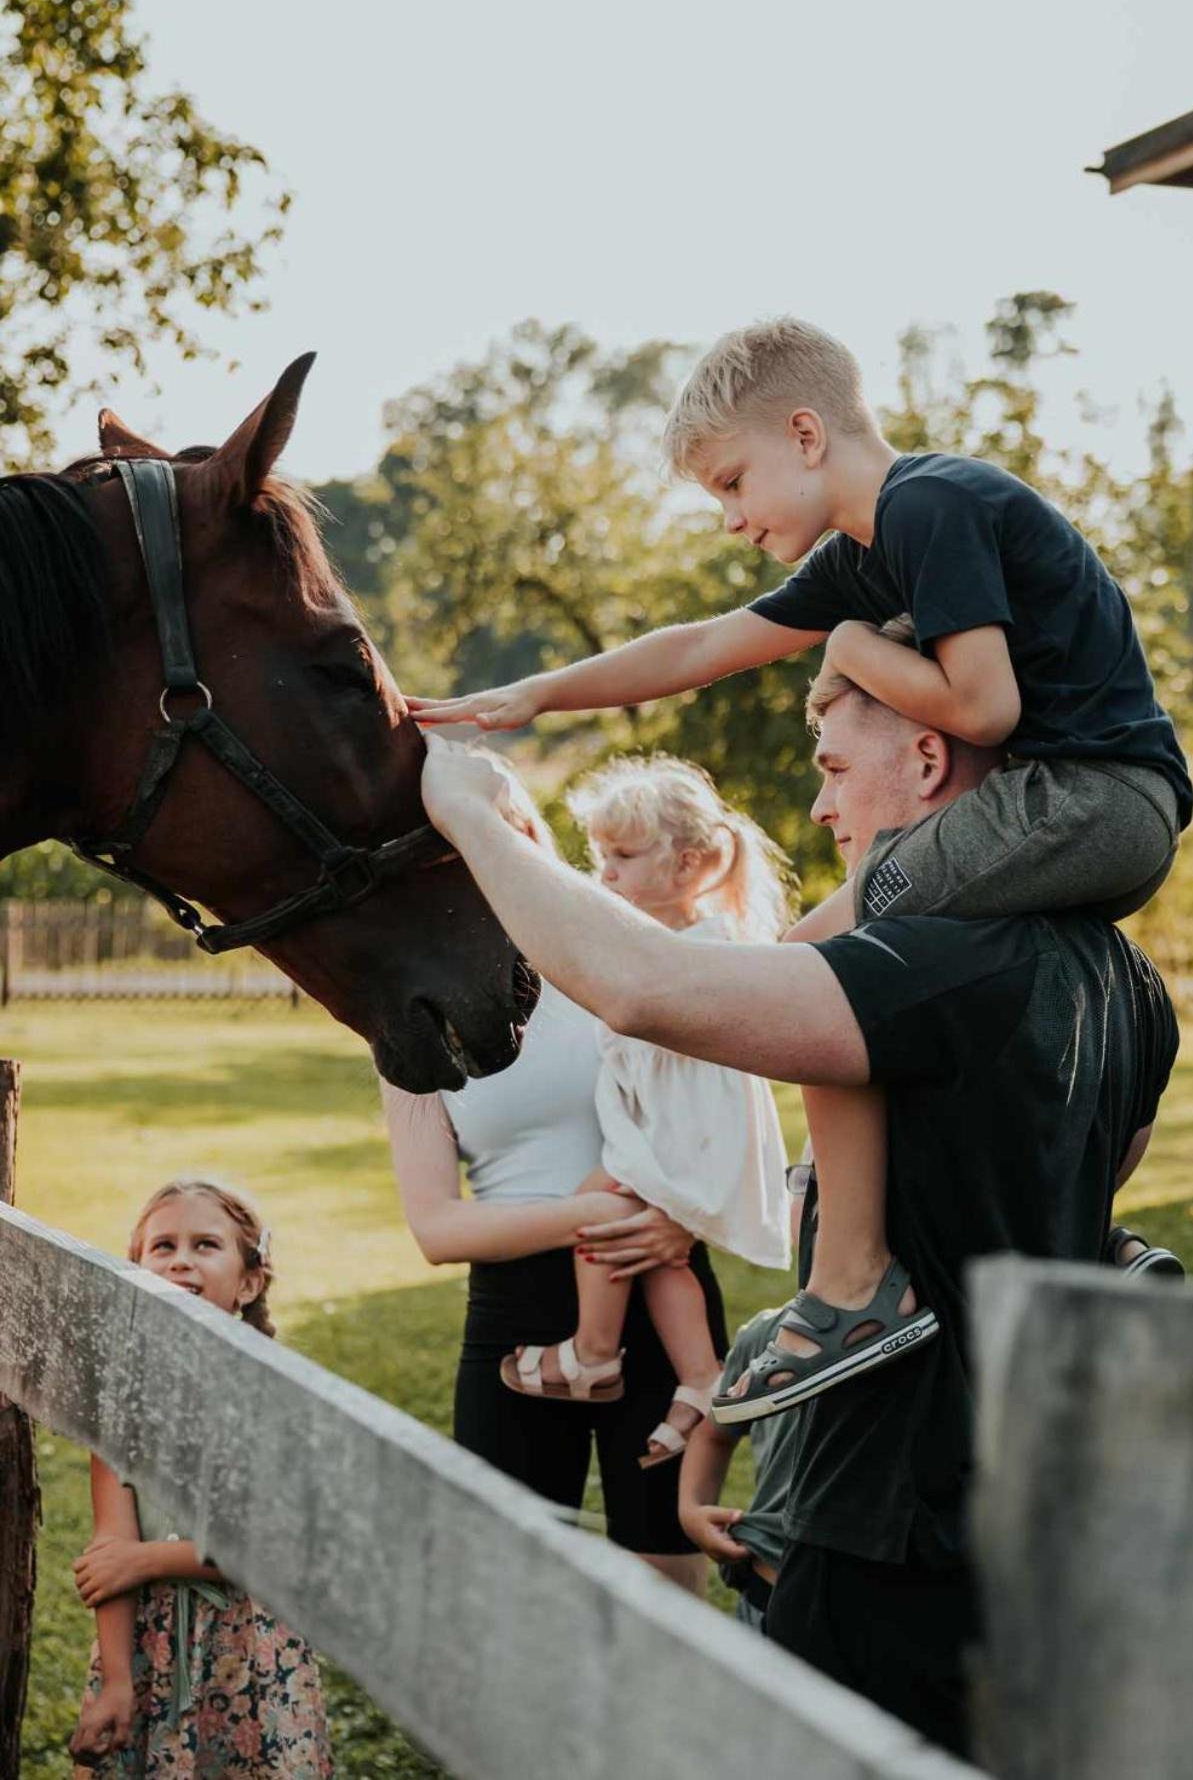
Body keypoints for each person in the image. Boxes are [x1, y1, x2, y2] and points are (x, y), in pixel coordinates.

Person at [406, 317, 1192, 1410]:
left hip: (1089, 799)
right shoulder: (865, 553)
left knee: (822, 974)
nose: (731, 519)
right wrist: (533, 694)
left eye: (735, 481)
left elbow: (987, 704)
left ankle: (853, 1280)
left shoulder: (931, 503)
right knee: (844, 973)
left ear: (808, 432)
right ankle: (1072, 1243)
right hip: (1073, 811)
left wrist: (855, 649)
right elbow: (701, 645)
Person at [418, 688, 1179, 1757]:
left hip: (882, 1517)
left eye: (830, 765)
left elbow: (643, 985)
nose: (819, 804)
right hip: (1028, 1505)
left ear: (925, 761)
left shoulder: (923, 960)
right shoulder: (1129, 979)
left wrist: (470, 815)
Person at [382, 758, 730, 1594]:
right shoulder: (408, 1019)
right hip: (516, 1316)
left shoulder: (623, 954)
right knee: (511, 1585)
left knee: (662, 1582)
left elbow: (725, 1113)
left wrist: (683, 1217)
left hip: (661, 1290)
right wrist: (600, 1218)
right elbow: (436, 1228)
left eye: (503, 831)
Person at [498, 756, 790, 1468]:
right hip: (666, 1124)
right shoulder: (660, 942)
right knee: (656, 1256)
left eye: (625, 857)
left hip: (682, 1130)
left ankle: (593, 1353)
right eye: (601, 857)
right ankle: (701, 1375)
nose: (607, 874)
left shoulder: (700, 950)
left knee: (597, 1207)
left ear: (688, 866)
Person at [69, 1179, 332, 1777]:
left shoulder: (275, 1396)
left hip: (251, 1654)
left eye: (205, 1244)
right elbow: (111, 1547)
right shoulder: (122, 1401)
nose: (181, 1258)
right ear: (135, 1268)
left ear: (248, 1281)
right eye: (162, 1246)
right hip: (146, 1649)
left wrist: (149, 1561)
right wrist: (115, 1679)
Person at [678, 1166, 814, 1627]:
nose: (821, 1198)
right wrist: (692, 1507)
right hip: (765, 1598)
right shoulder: (761, 1337)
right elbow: (714, 1435)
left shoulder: (926, 1343)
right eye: (805, 1178)